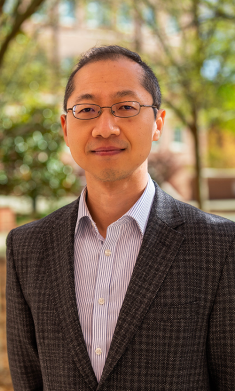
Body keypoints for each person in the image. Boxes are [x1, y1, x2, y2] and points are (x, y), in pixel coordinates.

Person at [6, 45, 235, 391]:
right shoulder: (26, 248)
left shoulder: (219, 245)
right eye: (87, 109)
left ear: (158, 123)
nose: (105, 127)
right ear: (66, 129)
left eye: (126, 107)